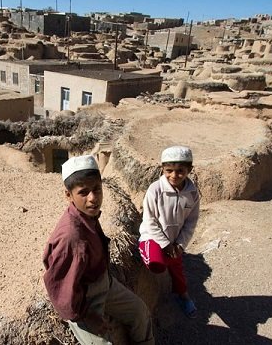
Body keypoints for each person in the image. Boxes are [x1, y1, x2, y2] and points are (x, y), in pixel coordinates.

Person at [43, 155, 154, 345]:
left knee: (140, 312)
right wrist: (87, 315)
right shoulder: (70, 238)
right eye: (83, 192)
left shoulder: (87, 215)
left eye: (97, 189)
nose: (93, 198)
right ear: (68, 195)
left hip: (104, 283)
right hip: (83, 299)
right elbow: (61, 290)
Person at [138, 146, 200, 319]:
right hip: (153, 237)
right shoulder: (155, 190)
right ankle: (143, 248)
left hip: (175, 241)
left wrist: (180, 244)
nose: (174, 175)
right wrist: (165, 244)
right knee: (157, 265)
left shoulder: (192, 194)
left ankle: (183, 296)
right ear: (162, 170)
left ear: (190, 170)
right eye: (169, 171)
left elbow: (191, 222)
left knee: (177, 270)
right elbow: (149, 220)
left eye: (180, 171)